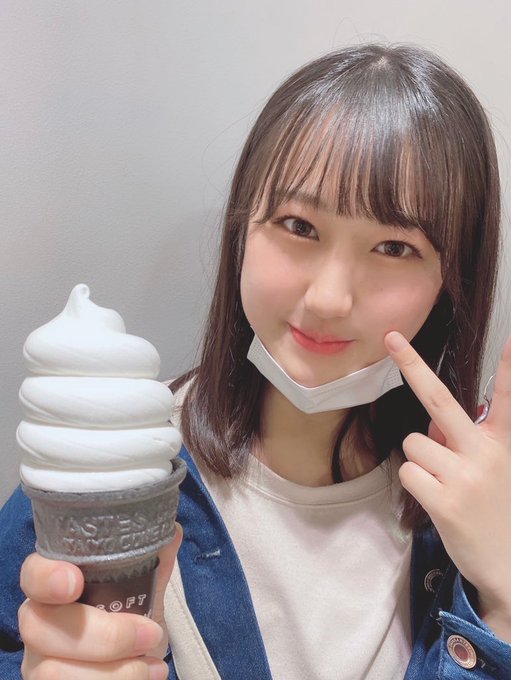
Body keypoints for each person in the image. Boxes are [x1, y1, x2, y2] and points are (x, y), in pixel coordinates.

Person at [1, 42, 511, 680]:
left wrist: (503, 604)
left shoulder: (476, 503)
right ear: (243, 229)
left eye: (393, 247)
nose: (328, 299)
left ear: (449, 284)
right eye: (299, 226)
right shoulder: (106, 462)